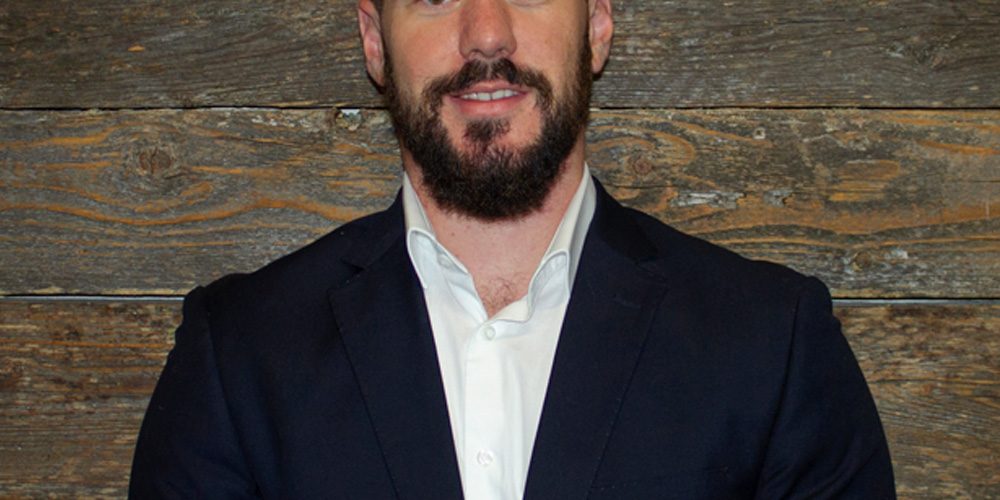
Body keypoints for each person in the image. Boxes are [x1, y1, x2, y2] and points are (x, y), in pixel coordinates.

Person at [129, 0, 895, 497]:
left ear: (597, 23)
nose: (487, 33)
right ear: (374, 40)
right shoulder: (238, 358)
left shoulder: (772, 346)